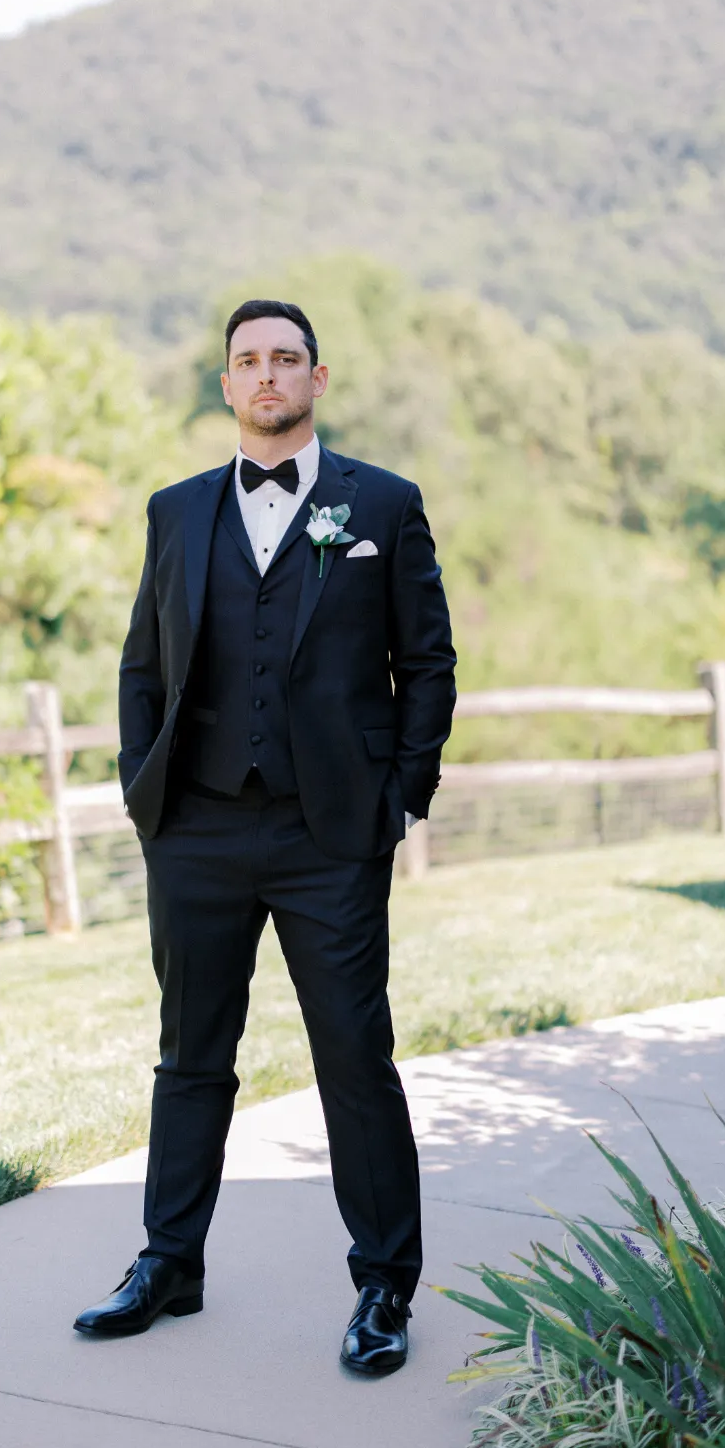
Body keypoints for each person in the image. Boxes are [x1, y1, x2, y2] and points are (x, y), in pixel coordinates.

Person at [74, 298, 456, 1375]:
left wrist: (401, 797)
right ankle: (168, 1262)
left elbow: (426, 660)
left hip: (330, 832)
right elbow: (142, 662)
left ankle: (382, 1285)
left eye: (285, 358)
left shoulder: (381, 503)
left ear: (316, 379)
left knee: (353, 1056)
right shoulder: (175, 510)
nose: (267, 375)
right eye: (247, 360)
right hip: (194, 826)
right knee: (189, 1055)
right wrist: (144, 791)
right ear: (227, 384)